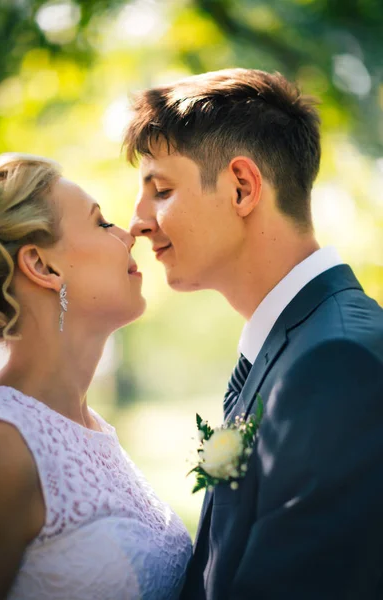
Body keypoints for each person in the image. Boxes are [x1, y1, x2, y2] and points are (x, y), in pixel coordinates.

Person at [126, 68, 383, 599]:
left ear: (242, 187)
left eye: (162, 189)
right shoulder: (297, 346)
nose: (137, 222)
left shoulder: (336, 363)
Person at [0, 153, 192, 600]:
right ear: (42, 266)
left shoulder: (91, 427)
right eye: (101, 224)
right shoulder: (0, 448)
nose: (129, 234)